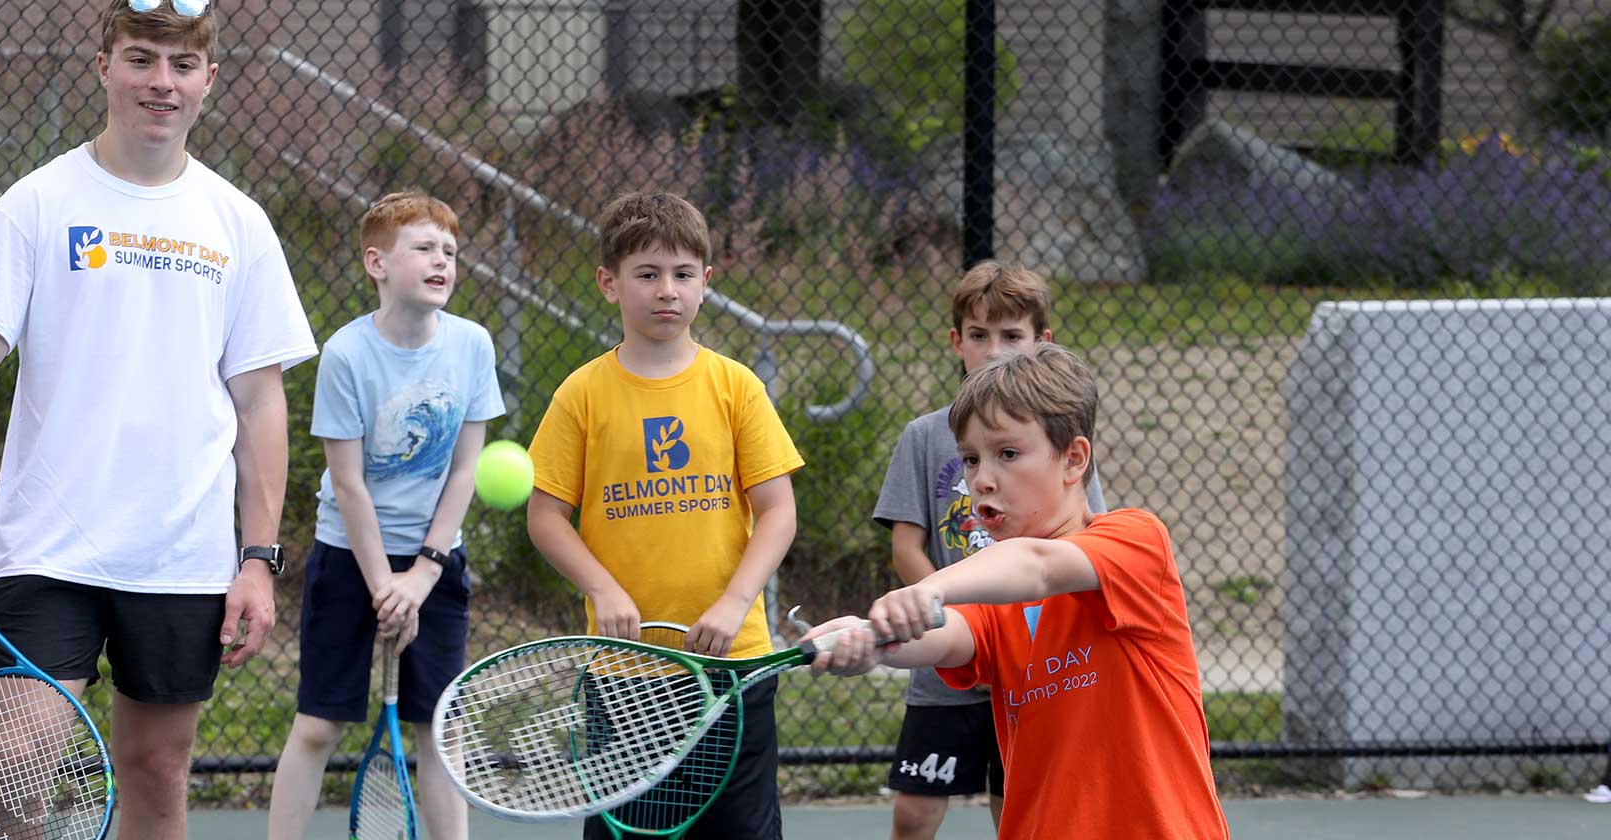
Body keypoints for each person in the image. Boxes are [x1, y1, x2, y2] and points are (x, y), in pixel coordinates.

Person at [0, 0, 318, 835]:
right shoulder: (36, 203)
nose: (161, 83)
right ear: (104, 66)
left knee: (157, 771)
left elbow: (260, 402)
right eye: (141, 59)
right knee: (12, 771)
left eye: (181, 66)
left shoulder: (238, 223)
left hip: (180, 556)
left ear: (209, 80)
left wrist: (257, 559)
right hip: (47, 547)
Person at [812, 344, 1230, 840]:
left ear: (1073, 459)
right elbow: (945, 636)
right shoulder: (995, 599)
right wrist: (868, 641)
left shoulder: (1136, 542)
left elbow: (1037, 566)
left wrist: (926, 590)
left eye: (1008, 454)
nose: (981, 480)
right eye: (971, 459)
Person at [526, 191, 803, 839]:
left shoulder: (736, 386)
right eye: (647, 274)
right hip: (624, 671)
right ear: (609, 284)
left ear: (706, 284)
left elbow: (778, 510)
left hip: (734, 667)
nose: (666, 291)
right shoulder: (582, 394)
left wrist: (736, 602)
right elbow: (546, 517)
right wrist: (601, 588)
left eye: (682, 275)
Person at [265, 191, 500, 840]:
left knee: (439, 727)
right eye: (424, 248)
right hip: (349, 559)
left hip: (435, 561)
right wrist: (383, 588)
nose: (442, 262)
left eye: (451, 252)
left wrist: (423, 575)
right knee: (318, 725)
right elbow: (348, 484)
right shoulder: (345, 355)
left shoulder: (473, 346)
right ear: (377, 262)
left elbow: (463, 470)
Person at [872, 261, 1107, 837]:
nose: (995, 350)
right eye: (979, 335)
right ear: (957, 341)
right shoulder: (924, 436)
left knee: (1019, 807)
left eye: (1012, 336)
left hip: (1032, 662)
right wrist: (939, 619)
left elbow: (1076, 544)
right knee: (915, 810)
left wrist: (1009, 631)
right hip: (948, 649)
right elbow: (908, 547)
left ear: (1041, 343)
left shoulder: (1056, 448)